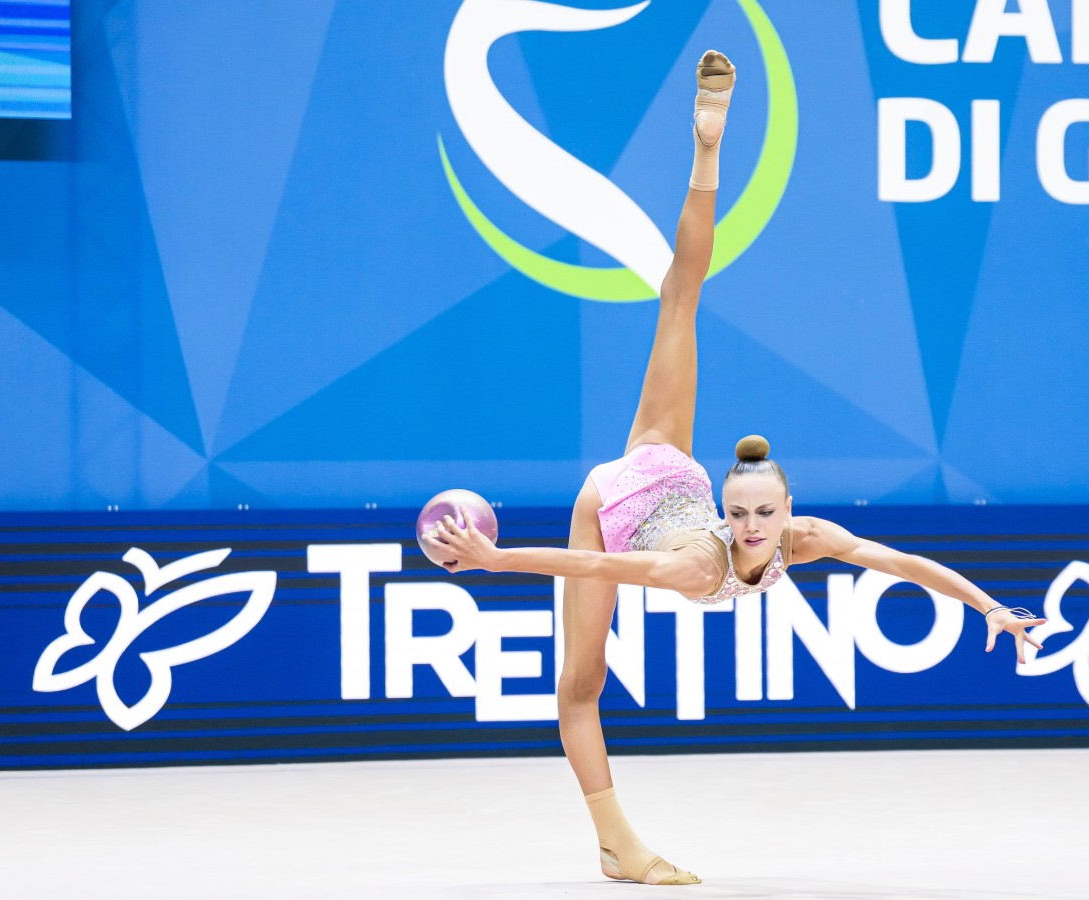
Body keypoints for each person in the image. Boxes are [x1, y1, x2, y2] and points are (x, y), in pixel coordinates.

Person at [432, 49, 1045, 886]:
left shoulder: (802, 537)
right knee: (582, 681)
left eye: (765, 513)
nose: (754, 527)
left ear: (786, 509)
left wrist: (990, 606)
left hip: (666, 460)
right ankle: (616, 844)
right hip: (616, 501)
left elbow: (900, 562)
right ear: (725, 508)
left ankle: (707, 142)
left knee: (683, 298)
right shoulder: (697, 566)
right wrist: (498, 560)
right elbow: (595, 564)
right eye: (744, 513)